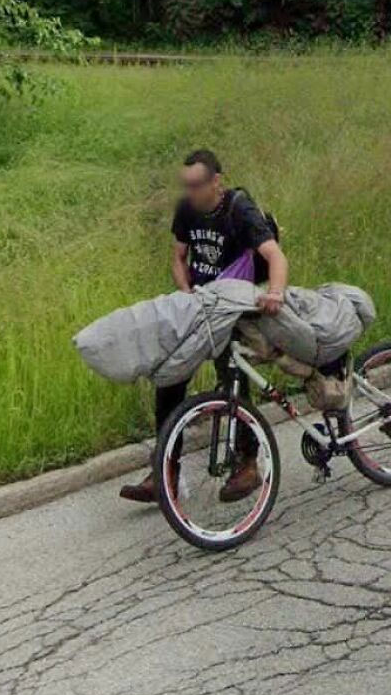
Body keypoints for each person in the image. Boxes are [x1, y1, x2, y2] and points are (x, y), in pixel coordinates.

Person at [120, 148, 289, 505]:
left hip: (234, 304)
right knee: (169, 379)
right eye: (187, 186)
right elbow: (178, 257)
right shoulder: (186, 210)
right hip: (201, 304)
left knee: (233, 375)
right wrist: (185, 292)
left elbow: (274, 255)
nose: (191, 192)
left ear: (217, 181)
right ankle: (165, 471)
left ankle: (247, 464)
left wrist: (275, 293)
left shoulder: (239, 209)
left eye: (198, 185)